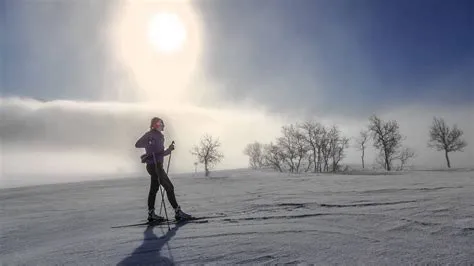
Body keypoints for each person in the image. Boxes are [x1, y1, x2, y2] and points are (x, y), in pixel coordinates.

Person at [135, 117, 192, 222]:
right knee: (169, 187)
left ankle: (151, 213)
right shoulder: (150, 135)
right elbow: (137, 144)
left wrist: (169, 149)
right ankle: (178, 212)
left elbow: (160, 153)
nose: (163, 126)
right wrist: (149, 142)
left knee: (154, 189)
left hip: (158, 165)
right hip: (154, 166)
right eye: (161, 124)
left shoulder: (160, 136)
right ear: (156, 125)